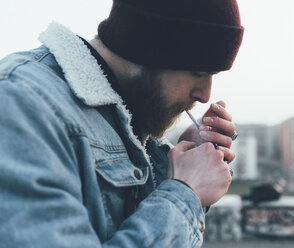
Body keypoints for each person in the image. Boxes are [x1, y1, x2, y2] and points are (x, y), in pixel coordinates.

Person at [0, 0, 244, 247]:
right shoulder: (22, 104)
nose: (205, 95)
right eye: (199, 73)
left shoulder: (129, 110)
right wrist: (184, 194)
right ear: (148, 47)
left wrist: (182, 161)